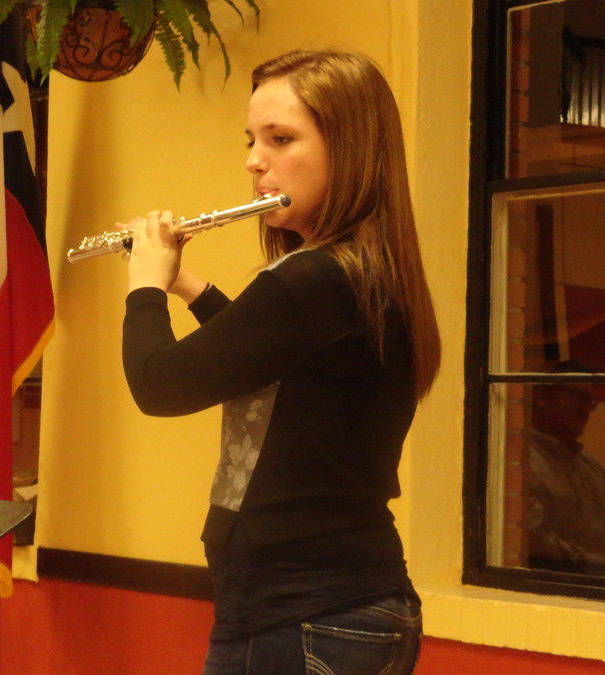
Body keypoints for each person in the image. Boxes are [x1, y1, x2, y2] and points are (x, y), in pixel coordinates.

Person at [120, 50, 440, 674]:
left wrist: (144, 287)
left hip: (303, 614)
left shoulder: (313, 279)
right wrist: (187, 286)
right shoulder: (359, 271)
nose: (253, 160)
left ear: (349, 148)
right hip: (337, 604)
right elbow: (270, 365)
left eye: (281, 138)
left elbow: (159, 385)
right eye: (251, 139)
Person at [523, 368, 605, 576]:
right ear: (542, 398)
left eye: (590, 401)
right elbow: (531, 539)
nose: (586, 410)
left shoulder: (593, 468)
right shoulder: (523, 463)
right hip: (565, 587)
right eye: (578, 397)